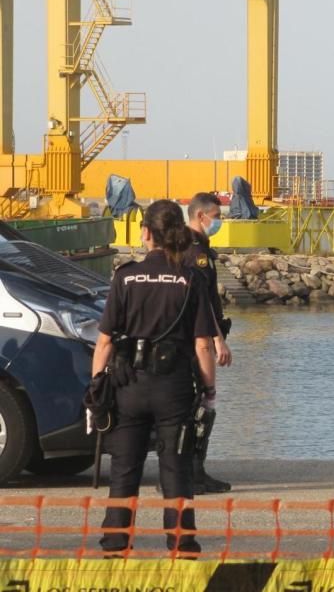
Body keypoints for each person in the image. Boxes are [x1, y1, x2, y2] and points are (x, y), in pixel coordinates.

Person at [91, 200, 218, 555]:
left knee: (124, 470)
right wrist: (209, 393)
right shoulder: (190, 278)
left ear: (146, 232)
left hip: (128, 384)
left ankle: (116, 543)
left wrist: (97, 387)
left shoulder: (125, 276)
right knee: (176, 470)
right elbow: (203, 345)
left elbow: (104, 342)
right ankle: (181, 545)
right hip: (173, 387)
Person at [184, 192, 233, 494]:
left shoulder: (197, 248)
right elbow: (202, 302)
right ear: (201, 216)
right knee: (200, 405)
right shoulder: (195, 253)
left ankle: (196, 471)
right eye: (216, 216)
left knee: (199, 406)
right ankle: (193, 472)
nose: (219, 222)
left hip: (198, 335)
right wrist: (217, 340)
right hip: (197, 338)